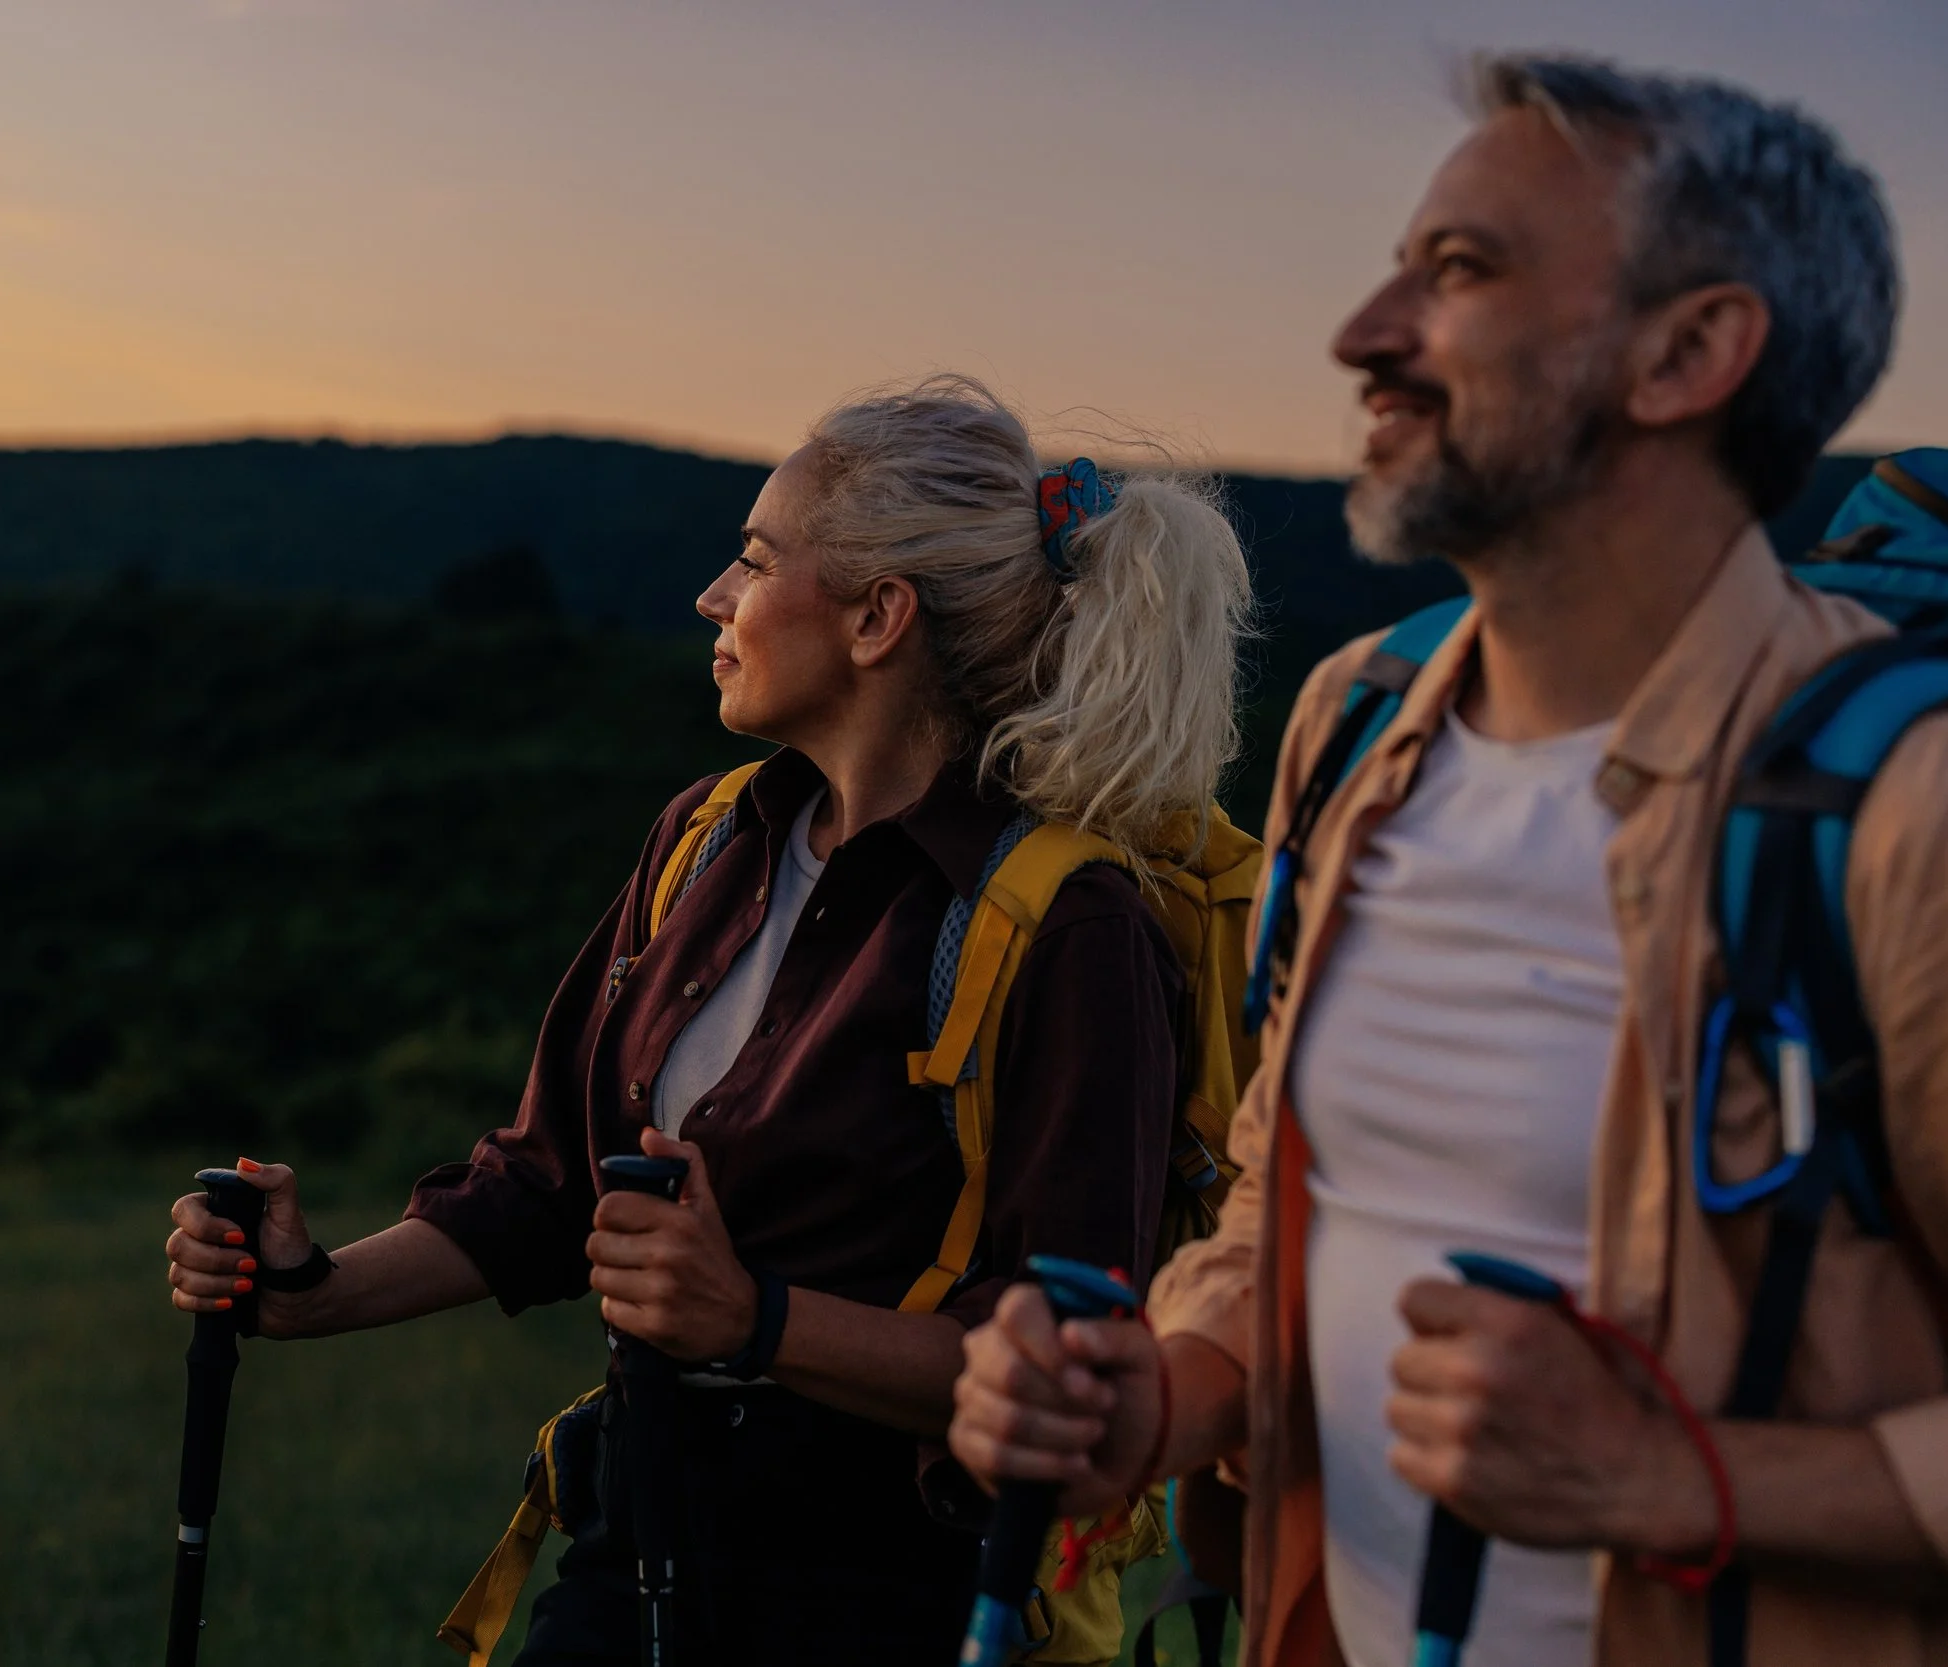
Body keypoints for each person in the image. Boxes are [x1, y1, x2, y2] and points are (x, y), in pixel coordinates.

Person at [948, 53, 1948, 1667]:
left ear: (1690, 352)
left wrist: (1664, 1478)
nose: (1363, 332)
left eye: (1462, 270)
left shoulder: (1912, 806)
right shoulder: (1357, 725)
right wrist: (1161, 1394)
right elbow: (1291, 1199)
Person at [162, 375, 1253, 1664]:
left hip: (901, 1595)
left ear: (877, 617)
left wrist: (755, 1320)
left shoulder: (1070, 926)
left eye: (755, 560)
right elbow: (549, 1181)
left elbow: (1070, 1357)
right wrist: (313, 1288)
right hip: (638, 1537)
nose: (713, 597)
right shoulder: (706, 839)